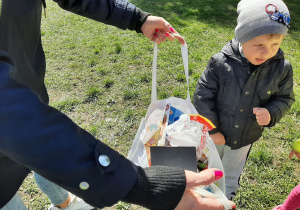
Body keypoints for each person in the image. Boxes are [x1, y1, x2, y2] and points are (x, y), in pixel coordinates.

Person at [0, 0, 236, 210]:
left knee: (42, 155)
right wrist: (137, 184)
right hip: (13, 128)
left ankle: (64, 203)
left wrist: (137, 18)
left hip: (31, 93)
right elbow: (12, 121)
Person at [193, 0, 295, 200]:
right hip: (216, 131)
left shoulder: (282, 68)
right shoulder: (220, 62)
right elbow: (202, 96)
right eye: (259, 44)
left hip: (245, 137)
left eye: (276, 44)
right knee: (206, 165)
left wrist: (272, 111)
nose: (267, 52)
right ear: (242, 38)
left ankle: (225, 198)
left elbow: (285, 97)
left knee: (231, 172)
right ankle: (200, 195)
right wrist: (212, 130)